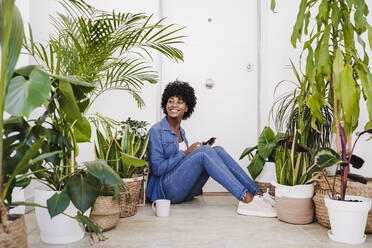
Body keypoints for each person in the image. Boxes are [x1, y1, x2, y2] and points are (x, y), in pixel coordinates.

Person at [146, 80, 276, 217]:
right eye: (170, 101)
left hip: (185, 191)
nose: (174, 105)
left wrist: (194, 151)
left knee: (217, 150)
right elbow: (157, 169)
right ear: (165, 104)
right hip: (165, 192)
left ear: (187, 108)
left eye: (179, 102)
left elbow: (184, 165)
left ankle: (258, 194)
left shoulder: (181, 131)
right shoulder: (156, 131)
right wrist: (186, 152)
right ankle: (246, 198)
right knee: (204, 152)